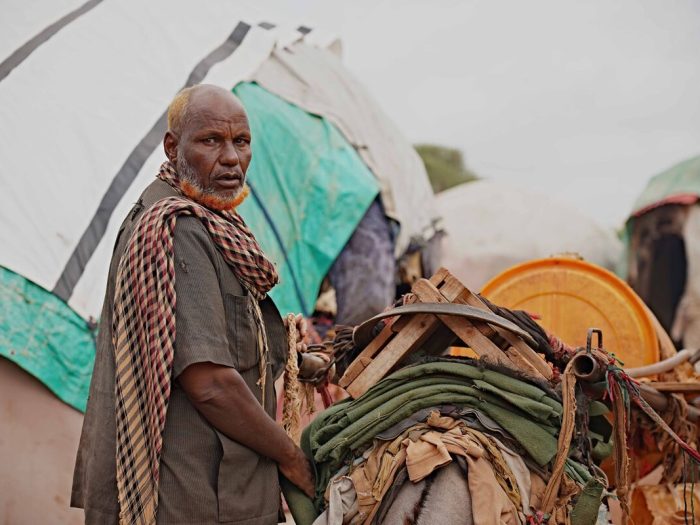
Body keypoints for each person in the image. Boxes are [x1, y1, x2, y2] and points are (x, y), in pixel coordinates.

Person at [71, 84, 314, 525]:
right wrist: (292, 458)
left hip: (218, 491)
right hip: (190, 498)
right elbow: (211, 384)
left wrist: (300, 361)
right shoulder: (175, 229)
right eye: (210, 141)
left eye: (241, 142)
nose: (231, 158)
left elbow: (232, 338)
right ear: (173, 146)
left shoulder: (212, 219)